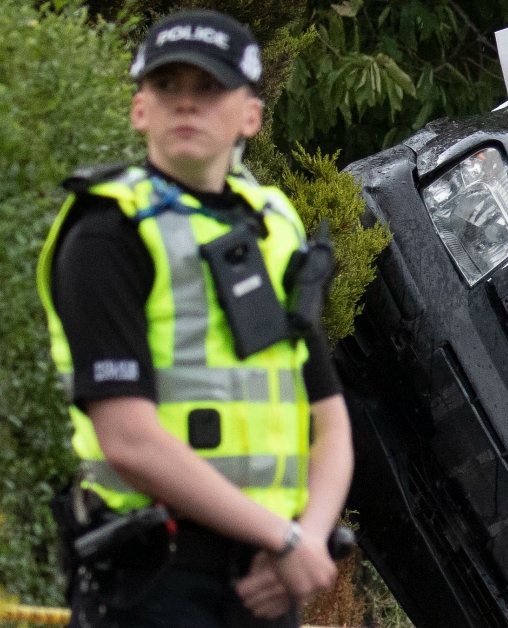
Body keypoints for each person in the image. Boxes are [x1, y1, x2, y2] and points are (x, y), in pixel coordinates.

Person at [36, 9, 353, 627]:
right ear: (139, 110)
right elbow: (128, 440)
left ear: (251, 117)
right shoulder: (106, 233)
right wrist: (287, 542)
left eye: (209, 88)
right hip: (153, 579)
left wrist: (306, 541)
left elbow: (331, 423)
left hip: (266, 578)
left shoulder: (275, 226)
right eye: (166, 86)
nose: (186, 104)